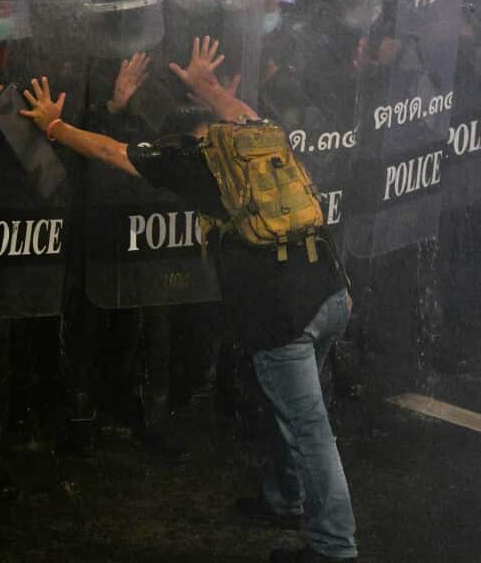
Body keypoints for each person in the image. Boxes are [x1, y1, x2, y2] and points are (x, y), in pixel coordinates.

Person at [19, 39, 360, 562]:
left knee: (309, 426)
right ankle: (285, 498)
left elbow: (112, 152)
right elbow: (235, 106)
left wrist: (54, 126)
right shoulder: (254, 132)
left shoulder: (193, 160)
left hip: (281, 315)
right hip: (331, 293)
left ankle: (334, 544)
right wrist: (204, 84)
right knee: (290, 409)